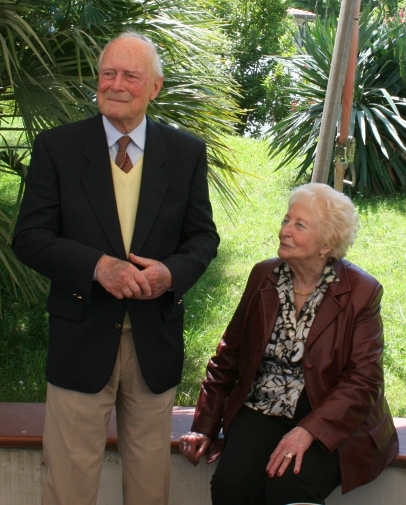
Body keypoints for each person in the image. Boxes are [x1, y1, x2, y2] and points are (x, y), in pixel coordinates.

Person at [12, 31, 219, 505]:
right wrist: (95, 266)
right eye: (108, 73)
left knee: (149, 486)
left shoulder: (185, 153)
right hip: (80, 336)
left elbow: (203, 238)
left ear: (155, 88)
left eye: (130, 75)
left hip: (153, 340)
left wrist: (171, 275)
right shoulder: (57, 148)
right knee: (68, 482)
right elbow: (29, 237)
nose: (116, 84)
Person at [180, 183, 398, 505]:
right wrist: (204, 425)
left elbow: (364, 381)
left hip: (330, 413)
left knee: (290, 485)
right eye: (286, 220)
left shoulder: (361, 293)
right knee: (232, 486)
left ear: (327, 242)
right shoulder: (264, 276)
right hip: (264, 404)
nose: (285, 231)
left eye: (299, 225)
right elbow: (229, 354)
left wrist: (310, 429)